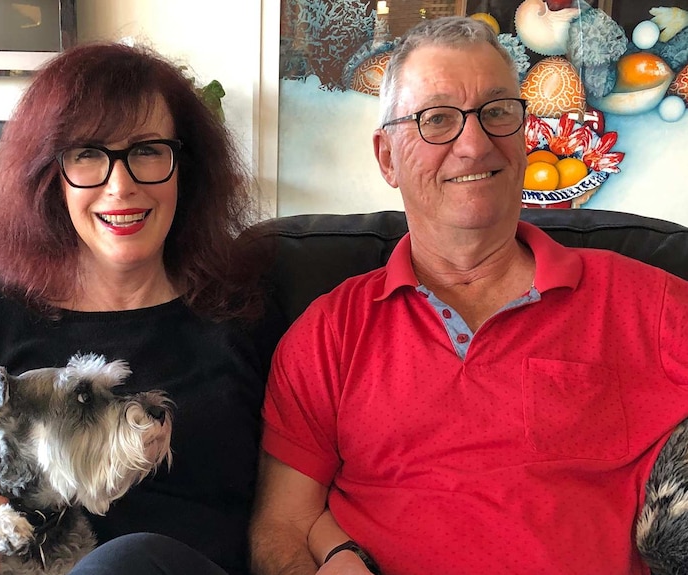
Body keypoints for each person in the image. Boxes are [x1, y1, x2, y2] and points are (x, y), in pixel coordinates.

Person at [249, 15, 688, 575]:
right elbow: (281, 526)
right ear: (387, 157)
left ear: (525, 137)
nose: (474, 144)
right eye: (436, 119)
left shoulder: (638, 301)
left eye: (497, 112)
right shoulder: (328, 334)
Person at [0, 42, 282, 575]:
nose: (121, 185)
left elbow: (288, 519)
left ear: (186, 165)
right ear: (53, 177)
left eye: (147, 150)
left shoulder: (242, 315)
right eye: (87, 153)